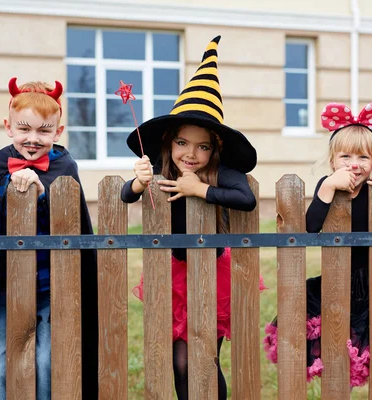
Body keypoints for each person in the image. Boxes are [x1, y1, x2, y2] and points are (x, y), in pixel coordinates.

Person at [121, 35, 265, 400]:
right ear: (169, 141)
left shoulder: (223, 172)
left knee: (204, 356)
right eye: (183, 143)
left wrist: (198, 189)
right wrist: (138, 183)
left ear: (214, 148)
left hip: (214, 271)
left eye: (203, 146)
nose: (191, 153)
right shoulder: (159, 166)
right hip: (173, 274)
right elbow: (125, 194)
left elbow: (245, 199)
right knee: (179, 362)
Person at [0, 78, 98, 399]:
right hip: (2, 287)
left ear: (58, 132)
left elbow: (73, 225)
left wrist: (44, 194)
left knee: (47, 363)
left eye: (44, 131)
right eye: (24, 129)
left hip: (50, 288)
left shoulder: (65, 166)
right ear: (8, 127)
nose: (33, 139)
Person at [263, 102, 372, 393]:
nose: (354, 164)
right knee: (338, 361)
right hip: (336, 285)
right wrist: (328, 188)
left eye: (363, 157)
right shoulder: (327, 184)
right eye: (345, 156)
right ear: (332, 161)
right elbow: (309, 227)